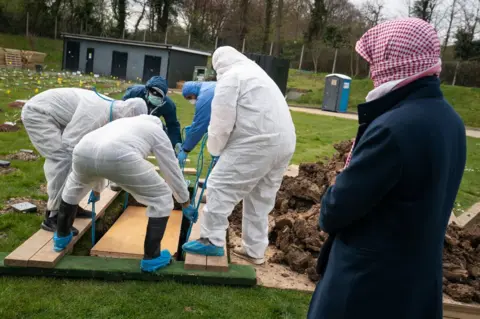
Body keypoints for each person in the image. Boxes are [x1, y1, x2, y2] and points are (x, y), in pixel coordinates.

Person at [307, 18, 467, 319]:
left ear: (394, 60)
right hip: (414, 284)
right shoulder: (450, 121)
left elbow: (335, 210)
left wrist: (333, 191)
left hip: (368, 287)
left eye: (375, 61)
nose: (371, 71)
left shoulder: (394, 128)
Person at [182, 46, 296, 265]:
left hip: (257, 142)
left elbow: (221, 124)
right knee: (260, 198)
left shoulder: (231, 78)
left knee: (218, 185)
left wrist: (215, 150)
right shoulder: (259, 74)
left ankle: (211, 240)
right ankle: (255, 250)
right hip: (285, 142)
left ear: (218, 65)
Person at [54, 115, 197, 272]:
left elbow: (98, 155)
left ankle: (61, 236)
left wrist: (96, 189)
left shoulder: (121, 123)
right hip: (119, 156)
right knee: (161, 197)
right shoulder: (156, 130)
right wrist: (185, 201)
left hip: (82, 151)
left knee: (73, 190)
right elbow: (171, 169)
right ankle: (152, 257)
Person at [21, 88, 147, 235]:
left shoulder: (113, 112)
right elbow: (72, 146)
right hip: (38, 113)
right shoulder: (96, 115)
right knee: (63, 159)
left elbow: (98, 152)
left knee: (77, 159)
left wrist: (97, 188)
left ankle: (70, 204)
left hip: (59, 117)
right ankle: (53, 216)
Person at [123, 76, 182, 150]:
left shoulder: (168, 105)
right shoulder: (134, 93)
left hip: (152, 122)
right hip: (132, 121)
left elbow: (172, 125)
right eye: (153, 93)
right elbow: (122, 111)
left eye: (159, 95)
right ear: (147, 90)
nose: (156, 96)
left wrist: (176, 142)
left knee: (164, 138)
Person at [177, 81, 216, 164]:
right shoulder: (208, 87)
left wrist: (186, 149)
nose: (191, 101)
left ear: (193, 92)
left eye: (189, 97)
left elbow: (200, 124)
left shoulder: (204, 97)